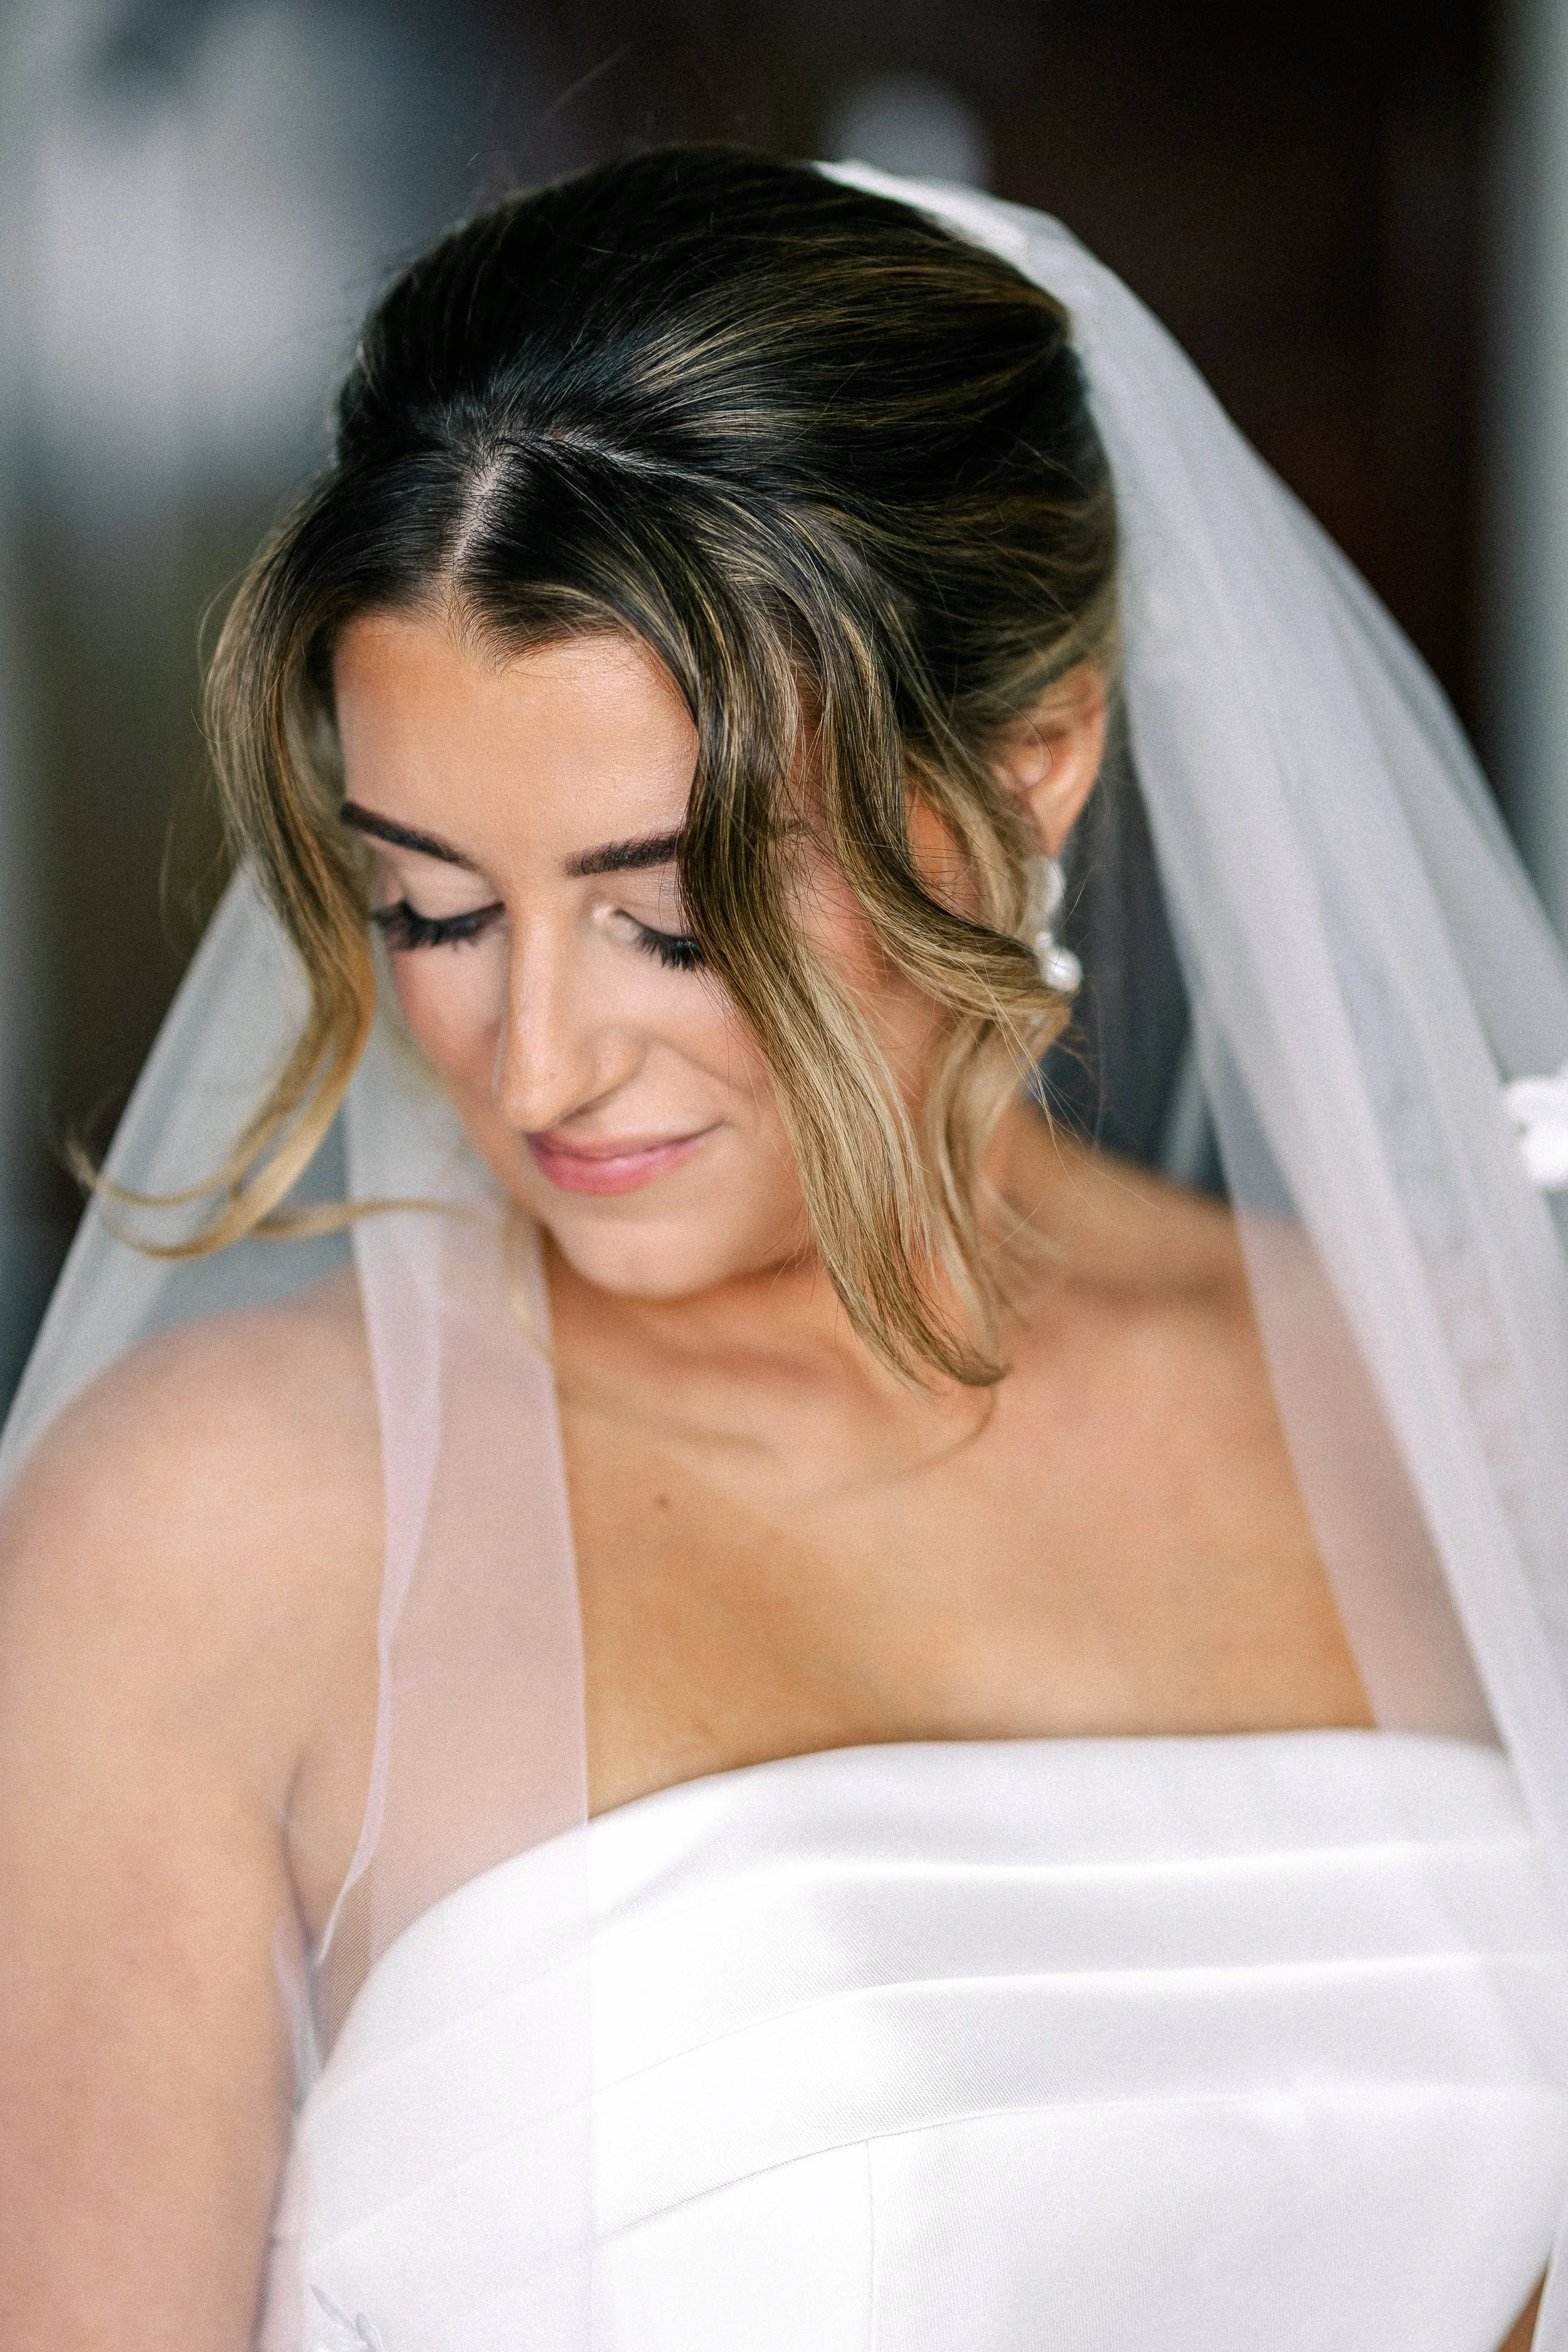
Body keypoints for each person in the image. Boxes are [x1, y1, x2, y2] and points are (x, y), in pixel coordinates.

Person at [2, 146, 1567, 2352]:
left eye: (667, 911)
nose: (534, 1056)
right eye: (431, 906)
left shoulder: (1477, 1400)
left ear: (1027, 767)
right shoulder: (204, 1530)